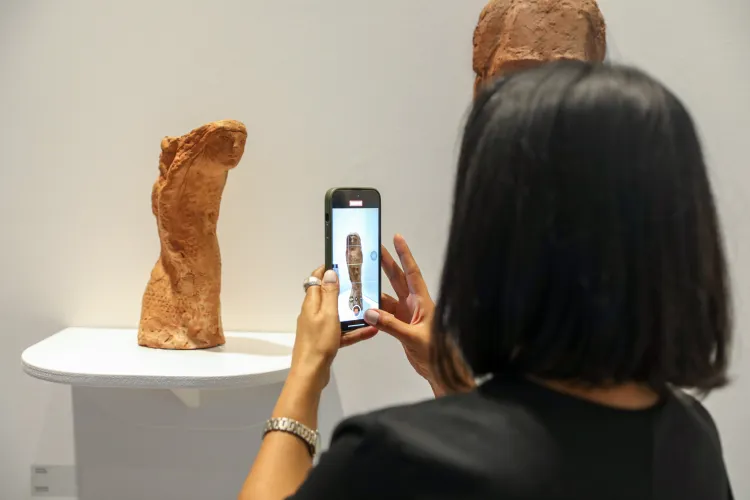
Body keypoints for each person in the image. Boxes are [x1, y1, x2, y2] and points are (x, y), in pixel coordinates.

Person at [238, 61, 734, 500]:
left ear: (492, 235)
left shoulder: (394, 456)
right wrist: (450, 382)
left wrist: (307, 369)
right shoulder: (692, 440)